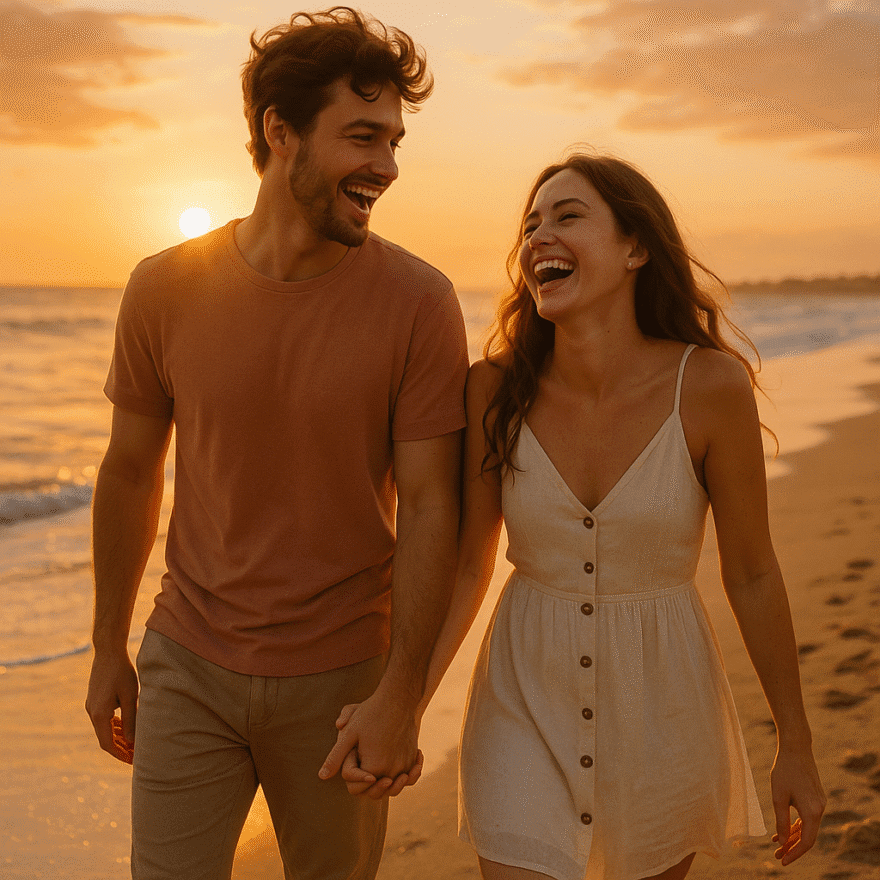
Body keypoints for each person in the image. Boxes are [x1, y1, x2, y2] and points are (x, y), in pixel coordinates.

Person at [84, 8, 467, 880]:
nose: (387, 166)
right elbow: (128, 470)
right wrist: (109, 644)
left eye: (396, 142)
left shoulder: (419, 302)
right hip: (187, 661)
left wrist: (401, 694)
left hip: (344, 682)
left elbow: (434, 504)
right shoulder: (162, 289)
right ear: (279, 132)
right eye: (363, 136)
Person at [414, 153, 826, 880]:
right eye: (531, 224)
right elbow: (467, 564)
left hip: (663, 705)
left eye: (568, 217)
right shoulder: (493, 390)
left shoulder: (709, 387)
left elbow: (753, 572)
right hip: (521, 696)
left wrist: (794, 741)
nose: (540, 236)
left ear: (635, 248)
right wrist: (404, 706)